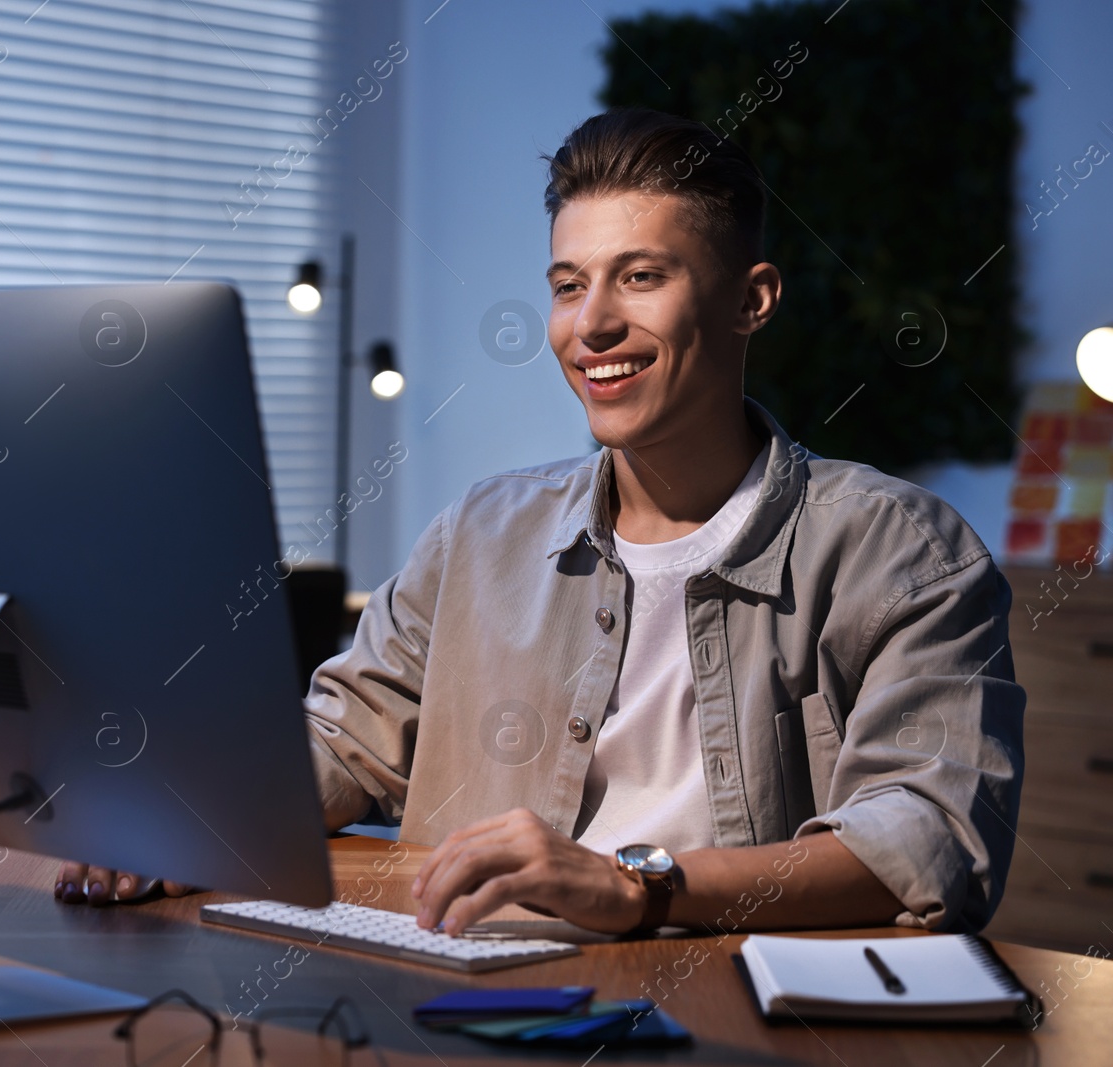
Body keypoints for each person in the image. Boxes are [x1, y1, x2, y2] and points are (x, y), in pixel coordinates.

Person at [56, 107, 1025, 939]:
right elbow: (343, 737)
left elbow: (925, 838)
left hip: (726, 1007)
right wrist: (175, 822)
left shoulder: (901, 550)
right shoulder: (483, 530)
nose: (589, 324)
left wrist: (632, 886)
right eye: (568, 284)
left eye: (640, 277)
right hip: (467, 992)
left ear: (749, 299)